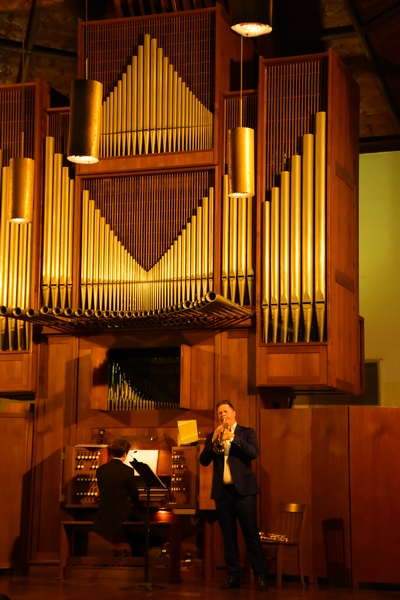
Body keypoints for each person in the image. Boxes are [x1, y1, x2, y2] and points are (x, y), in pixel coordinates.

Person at [199, 400, 268, 591]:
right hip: (223, 493)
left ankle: (261, 575)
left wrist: (234, 438)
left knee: (251, 533)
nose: (222, 415)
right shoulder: (213, 436)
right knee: (228, 536)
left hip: (244, 492)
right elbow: (203, 461)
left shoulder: (246, 432)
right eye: (220, 413)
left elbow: (254, 453)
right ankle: (233, 576)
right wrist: (212, 441)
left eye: (225, 412)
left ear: (234, 413)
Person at [93, 438, 142, 556]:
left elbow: (103, 489)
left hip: (103, 514)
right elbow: (134, 496)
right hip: (120, 515)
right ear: (125, 454)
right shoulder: (128, 471)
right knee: (141, 523)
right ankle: (138, 557)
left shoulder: (101, 469)